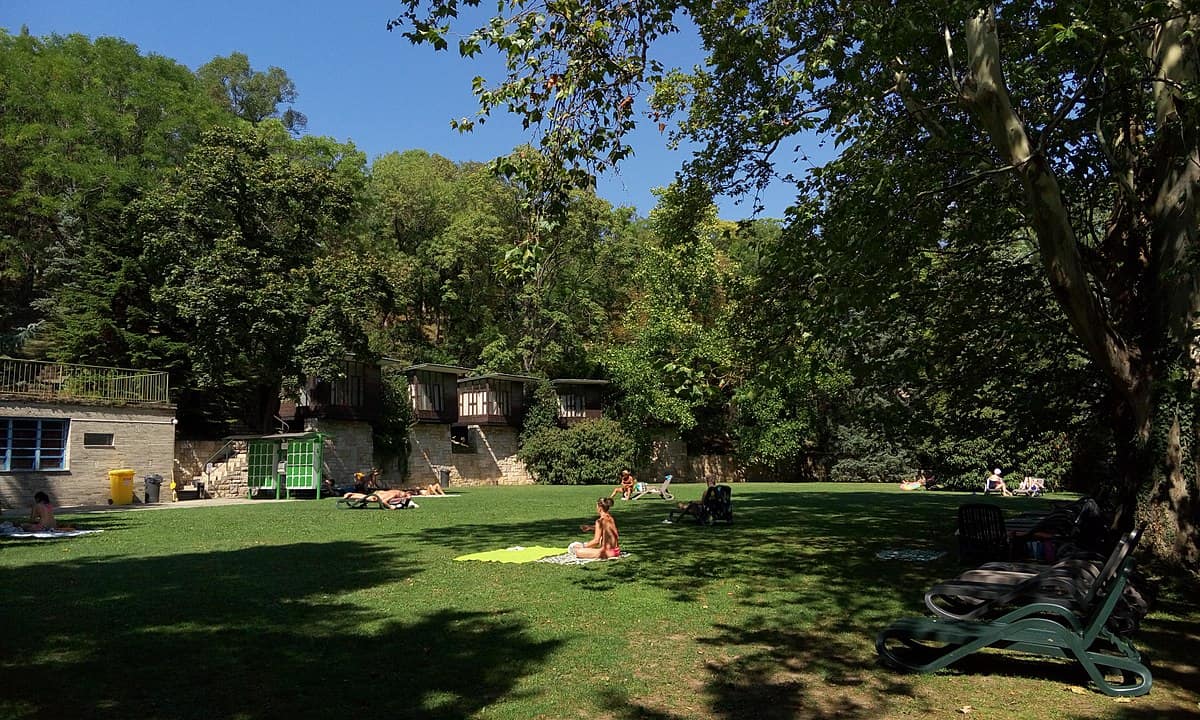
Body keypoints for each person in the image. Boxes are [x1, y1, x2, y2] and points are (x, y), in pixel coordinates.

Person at [341, 487, 413, 509]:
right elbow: (384, 501)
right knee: (366, 498)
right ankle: (350, 494)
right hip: (377, 497)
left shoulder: (396, 491)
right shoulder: (394, 494)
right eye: (404, 496)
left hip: (379, 494)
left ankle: (351, 494)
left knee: (365, 496)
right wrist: (390, 507)